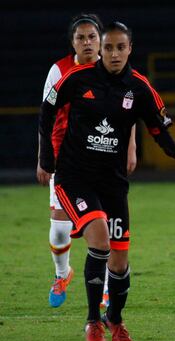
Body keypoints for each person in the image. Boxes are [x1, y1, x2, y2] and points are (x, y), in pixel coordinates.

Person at [37, 21, 175, 341]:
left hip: (113, 183)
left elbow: (157, 126)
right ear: (101, 51)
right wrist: (46, 158)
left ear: (130, 49)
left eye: (120, 47)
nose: (114, 53)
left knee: (119, 263)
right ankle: (93, 321)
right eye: (108, 48)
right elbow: (46, 112)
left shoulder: (139, 87)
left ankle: (115, 319)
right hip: (75, 177)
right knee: (99, 239)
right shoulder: (77, 79)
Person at [37, 14, 137, 308]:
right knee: (59, 229)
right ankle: (61, 273)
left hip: (102, 158)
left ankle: (106, 288)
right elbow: (46, 116)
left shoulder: (111, 68)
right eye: (81, 38)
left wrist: (130, 147)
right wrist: (42, 158)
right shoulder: (59, 70)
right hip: (64, 159)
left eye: (93, 37)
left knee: (104, 225)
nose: (88, 42)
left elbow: (128, 110)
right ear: (73, 43)